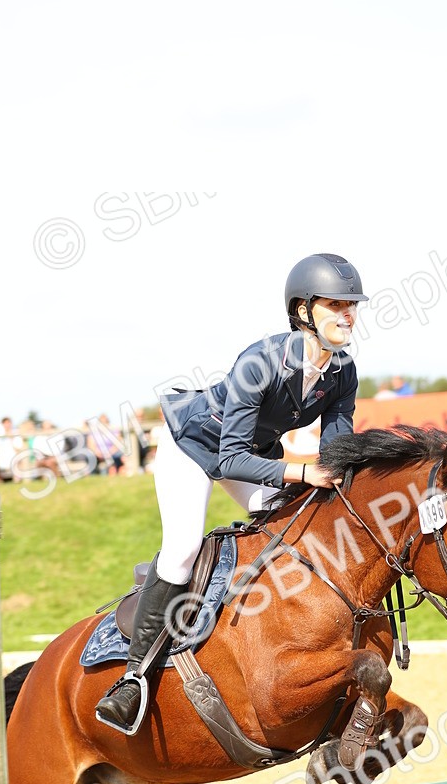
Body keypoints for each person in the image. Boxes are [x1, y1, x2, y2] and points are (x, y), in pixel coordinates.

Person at [96, 252, 369, 734]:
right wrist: (302, 473)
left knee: (294, 527)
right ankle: (133, 677)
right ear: (304, 311)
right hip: (195, 446)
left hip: (255, 452)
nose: (347, 313)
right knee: (182, 549)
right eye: (335, 304)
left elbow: (336, 453)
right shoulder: (259, 361)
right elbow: (227, 460)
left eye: (352, 305)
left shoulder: (342, 370)